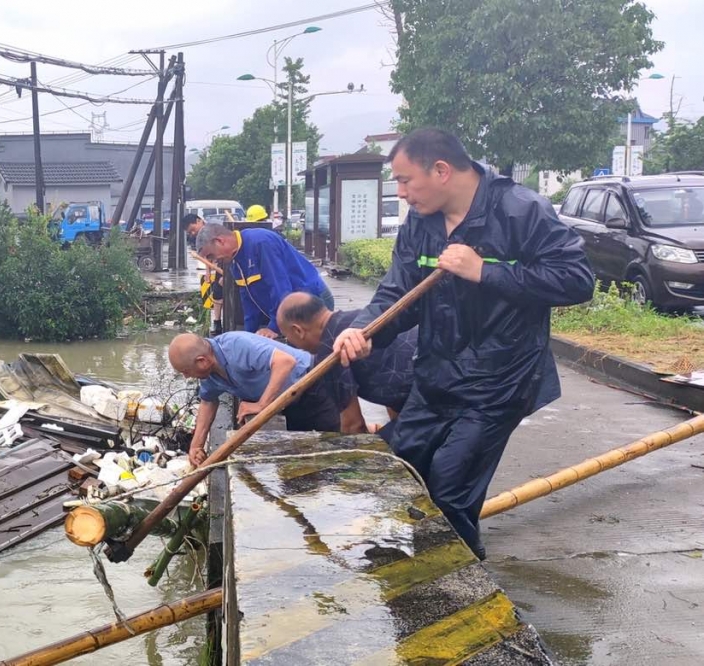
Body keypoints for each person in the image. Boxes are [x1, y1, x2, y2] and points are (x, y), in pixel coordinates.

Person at [332, 128, 594, 560]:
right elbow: (398, 292)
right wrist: (363, 330)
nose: (400, 193)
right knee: (401, 468)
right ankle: (423, 567)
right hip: (436, 377)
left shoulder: (520, 211)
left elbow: (577, 280)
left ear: (441, 171)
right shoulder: (421, 221)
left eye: (404, 180)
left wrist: (485, 271)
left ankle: (456, 592)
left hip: (500, 383)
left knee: (451, 491)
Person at [168, 331, 340, 466]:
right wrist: (196, 445)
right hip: (288, 401)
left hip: (311, 381)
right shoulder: (210, 375)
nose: (186, 377)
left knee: (337, 444)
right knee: (302, 456)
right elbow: (208, 402)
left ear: (202, 361)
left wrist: (262, 404)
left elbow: (285, 362)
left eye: (185, 371)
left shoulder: (235, 346)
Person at [277, 292, 416, 435]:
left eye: (288, 338)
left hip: (429, 399)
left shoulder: (330, 355)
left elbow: (353, 425)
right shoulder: (359, 318)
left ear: (298, 330)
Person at [195, 221, 333, 339]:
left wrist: (273, 327)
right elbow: (248, 301)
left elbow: (280, 287)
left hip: (312, 299)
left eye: (211, 255)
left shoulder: (261, 242)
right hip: (291, 310)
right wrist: (249, 335)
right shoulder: (234, 261)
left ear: (220, 241)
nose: (213, 261)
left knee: (314, 354)